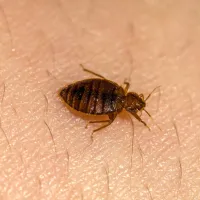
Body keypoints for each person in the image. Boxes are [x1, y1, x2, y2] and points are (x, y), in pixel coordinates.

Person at [0, 1, 199, 199]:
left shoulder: (121, 90)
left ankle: (88, 82)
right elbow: (119, 109)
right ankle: (93, 119)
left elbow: (103, 81)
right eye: (137, 104)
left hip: (92, 92)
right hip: (86, 95)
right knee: (108, 118)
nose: (137, 104)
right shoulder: (121, 102)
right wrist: (103, 126)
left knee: (104, 88)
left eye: (137, 105)